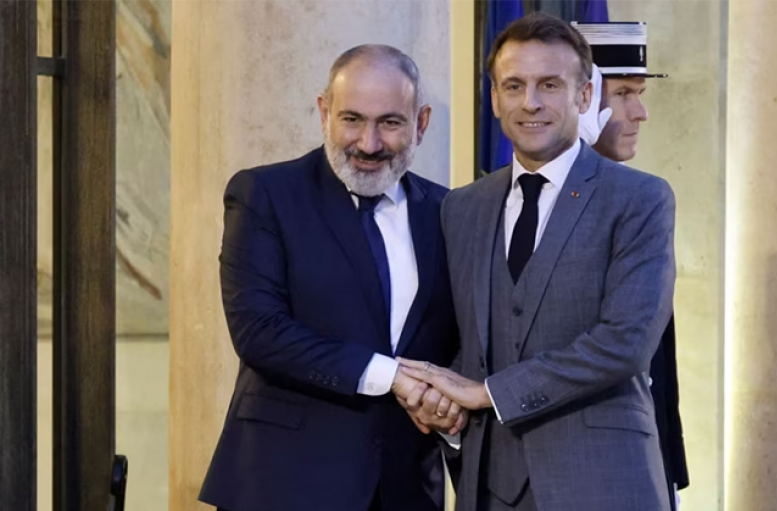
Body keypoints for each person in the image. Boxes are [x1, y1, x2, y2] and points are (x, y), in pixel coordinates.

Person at [399, 12, 675, 511]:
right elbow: (462, 340)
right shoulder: (461, 208)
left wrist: (489, 394)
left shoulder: (639, 199)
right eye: (514, 86)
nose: (530, 102)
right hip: (486, 484)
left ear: (584, 96)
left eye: (549, 85)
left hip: (602, 483)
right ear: (495, 98)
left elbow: (626, 342)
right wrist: (440, 402)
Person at [198, 44, 463, 511]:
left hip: (405, 490)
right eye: (352, 119)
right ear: (324, 113)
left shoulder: (451, 213)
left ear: (421, 123)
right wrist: (392, 376)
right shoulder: (266, 195)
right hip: (282, 486)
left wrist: (449, 407)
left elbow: (461, 342)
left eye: (390, 122)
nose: (369, 143)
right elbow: (259, 331)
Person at [574, 21, 689, 510]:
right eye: (622, 93)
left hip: (643, 462)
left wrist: (668, 471)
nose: (640, 113)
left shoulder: (642, 199)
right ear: (582, 99)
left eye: (639, 93)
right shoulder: (523, 205)